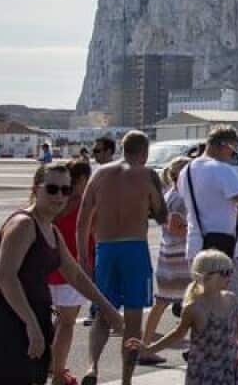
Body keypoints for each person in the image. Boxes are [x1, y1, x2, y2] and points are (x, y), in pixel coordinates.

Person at [0, 162, 124, 385]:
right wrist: (31, 324)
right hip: (5, 325)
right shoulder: (24, 224)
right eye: (52, 189)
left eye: (66, 189)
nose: (60, 196)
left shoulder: (50, 229)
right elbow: (6, 276)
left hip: (32, 322)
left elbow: (75, 275)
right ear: (36, 190)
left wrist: (108, 308)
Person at [76, 130, 166, 385]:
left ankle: (92, 366)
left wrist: (84, 258)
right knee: (133, 320)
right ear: (145, 152)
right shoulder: (147, 175)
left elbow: (83, 221)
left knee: (103, 312)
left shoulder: (100, 174)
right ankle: (126, 379)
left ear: (122, 149)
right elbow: (162, 214)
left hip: (104, 249)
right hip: (134, 248)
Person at [126, 249, 238, 384]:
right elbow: (177, 334)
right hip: (204, 373)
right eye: (225, 272)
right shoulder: (194, 308)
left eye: (231, 271)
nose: (230, 276)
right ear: (206, 276)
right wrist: (150, 349)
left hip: (229, 368)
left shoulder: (231, 300)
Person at [178, 125, 238, 332]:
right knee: (237, 306)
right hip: (224, 249)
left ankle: (200, 345)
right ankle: (225, 349)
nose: (232, 156)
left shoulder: (186, 171)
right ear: (224, 146)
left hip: (196, 244)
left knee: (201, 302)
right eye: (233, 151)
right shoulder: (222, 170)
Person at [47, 158, 93, 385]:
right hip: (72, 271)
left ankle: (52, 365)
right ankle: (58, 374)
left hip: (48, 268)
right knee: (66, 323)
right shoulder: (84, 202)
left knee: (57, 320)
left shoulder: (56, 201)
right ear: (83, 179)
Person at [142, 157, 191, 359]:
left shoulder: (168, 195)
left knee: (162, 302)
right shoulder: (179, 198)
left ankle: (145, 345)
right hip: (178, 258)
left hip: (168, 255)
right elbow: (177, 228)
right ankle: (146, 347)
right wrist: (196, 230)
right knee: (190, 301)